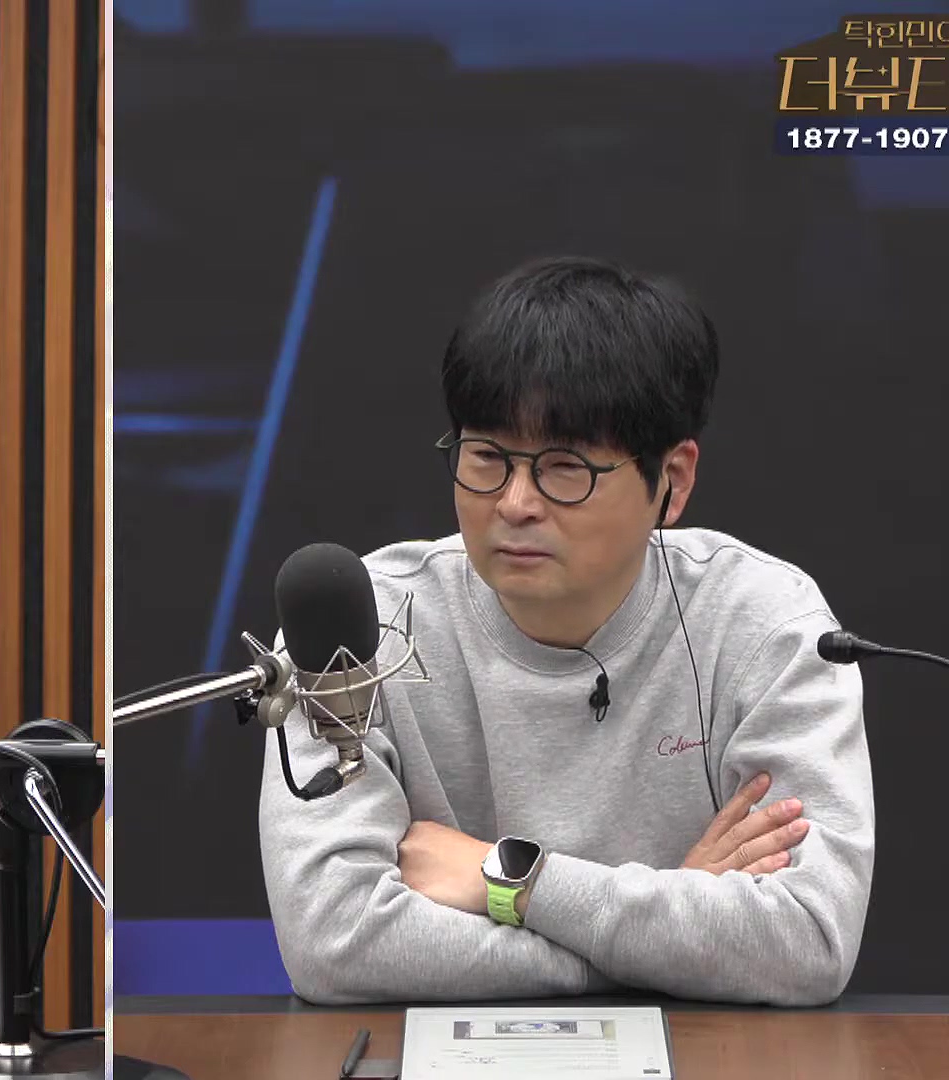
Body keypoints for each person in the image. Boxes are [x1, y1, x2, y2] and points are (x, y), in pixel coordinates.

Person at [260, 256, 873, 1007]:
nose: (515, 502)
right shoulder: (357, 630)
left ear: (672, 481)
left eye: (564, 468)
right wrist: (667, 931)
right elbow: (334, 941)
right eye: (487, 457)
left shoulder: (765, 624)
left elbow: (808, 937)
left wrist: (509, 877)